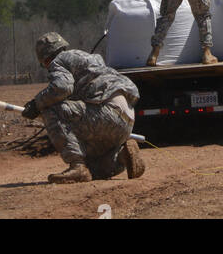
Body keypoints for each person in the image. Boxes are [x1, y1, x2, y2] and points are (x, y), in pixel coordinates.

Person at [23, 33, 145, 184]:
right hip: (126, 119)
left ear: (46, 59)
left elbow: (62, 87)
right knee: (93, 169)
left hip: (106, 111)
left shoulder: (59, 61)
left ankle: (76, 166)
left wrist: (37, 103)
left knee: (51, 109)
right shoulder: (88, 58)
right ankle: (122, 155)